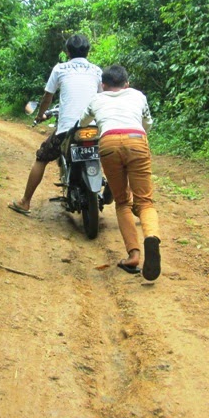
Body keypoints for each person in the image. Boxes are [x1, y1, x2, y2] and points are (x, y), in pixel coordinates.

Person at [79, 64, 161, 281]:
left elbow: (82, 122)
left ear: (103, 85)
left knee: (123, 202)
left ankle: (133, 255)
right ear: (127, 84)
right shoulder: (137, 95)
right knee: (145, 202)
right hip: (137, 140)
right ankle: (151, 236)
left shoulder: (97, 98)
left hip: (108, 143)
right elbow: (147, 122)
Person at [9, 34, 102, 216]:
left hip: (69, 130)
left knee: (42, 157)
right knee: (111, 157)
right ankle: (124, 199)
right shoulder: (97, 71)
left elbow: (48, 97)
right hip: (95, 128)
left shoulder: (60, 69)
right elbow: (103, 97)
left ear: (67, 52)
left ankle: (25, 202)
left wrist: (41, 114)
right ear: (88, 51)